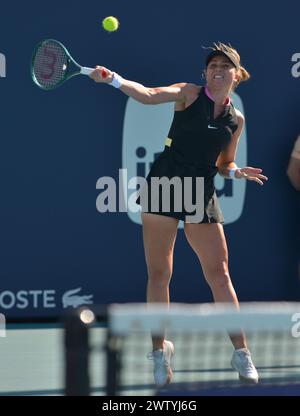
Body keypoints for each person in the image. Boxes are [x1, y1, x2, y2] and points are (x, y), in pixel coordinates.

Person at [91, 42, 268, 387]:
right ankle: (160, 352)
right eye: (212, 65)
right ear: (205, 73)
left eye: (225, 66)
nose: (217, 70)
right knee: (160, 272)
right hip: (164, 183)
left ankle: (241, 352)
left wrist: (234, 173)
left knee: (219, 273)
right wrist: (114, 79)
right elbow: (147, 94)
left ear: (237, 75)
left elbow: (223, 163)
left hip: (200, 189)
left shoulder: (236, 120)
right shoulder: (187, 94)